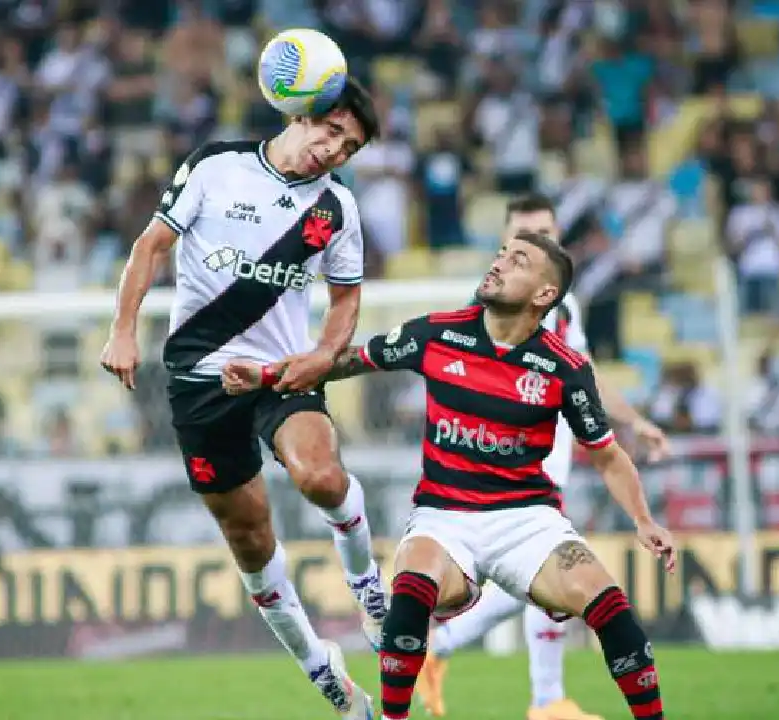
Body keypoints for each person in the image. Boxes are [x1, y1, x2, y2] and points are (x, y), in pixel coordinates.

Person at [224, 231, 677, 720]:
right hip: (444, 516)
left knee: (612, 609)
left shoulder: (564, 369)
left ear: (545, 295)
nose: (499, 263)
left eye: (517, 260)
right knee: (409, 595)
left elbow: (607, 455)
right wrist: (268, 376)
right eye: (501, 253)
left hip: (528, 520)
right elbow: (349, 360)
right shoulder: (438, 333)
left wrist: (644, 519)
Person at [99, 78, 384, 720]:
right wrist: (123, 328)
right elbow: (151, 246)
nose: (336, 151)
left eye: (351, 146)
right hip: (200, 379)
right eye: (332, 131)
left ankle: (370, 591)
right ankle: (324, 672)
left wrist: (318, 356)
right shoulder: (215, 166)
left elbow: (345, 300)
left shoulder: (336, 208)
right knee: (250, 540)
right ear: (301, 114)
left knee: (320, 475)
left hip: (280, 374)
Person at [421, 194, 673, 720]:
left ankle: (537, 694)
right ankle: (525, 689)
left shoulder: (564, 305)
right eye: (526, 234)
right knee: (535, 572)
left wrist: (632, 421)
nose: (540, 242)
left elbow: (585, 372)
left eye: (548, 232)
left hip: (551, 447)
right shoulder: (494, 305)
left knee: (543, 575)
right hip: (504, 462)